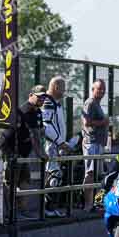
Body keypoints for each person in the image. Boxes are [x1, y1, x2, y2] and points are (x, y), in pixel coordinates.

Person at [0, 86, 49, 220]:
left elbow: (40, 132)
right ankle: (11, 214)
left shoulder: (37, 112)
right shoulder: (25, 110)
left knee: (25, 181)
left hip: (22, 151)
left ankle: (22, 210)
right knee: (11, 181)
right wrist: (41, 154)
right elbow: (34, 135)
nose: (42, 99)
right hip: (8, 149)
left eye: (44, 97)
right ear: (31, 95)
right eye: (39, 96)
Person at [41, 76, 70, 218]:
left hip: (56, 145)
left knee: (56, 174)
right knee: (55, 175)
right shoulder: (48, 102)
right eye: (63, 88)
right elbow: (46, 125)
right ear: (57, 87)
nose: (65, 91)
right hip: (50, 146)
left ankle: (50, 208)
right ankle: (48, 209)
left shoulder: (55, 103)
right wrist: (60, 142)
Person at [82, 79, 110, 210]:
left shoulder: (97, 104)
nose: (102, 91)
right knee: (90, 173)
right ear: (93, 89)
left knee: (97, 175)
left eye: (103, 89)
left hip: (98, 144)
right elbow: (86, 122)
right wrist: (103, 122)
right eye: (99, 89)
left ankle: (94, 203)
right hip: (91, 143)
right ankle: (87, 204)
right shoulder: (90, 102)